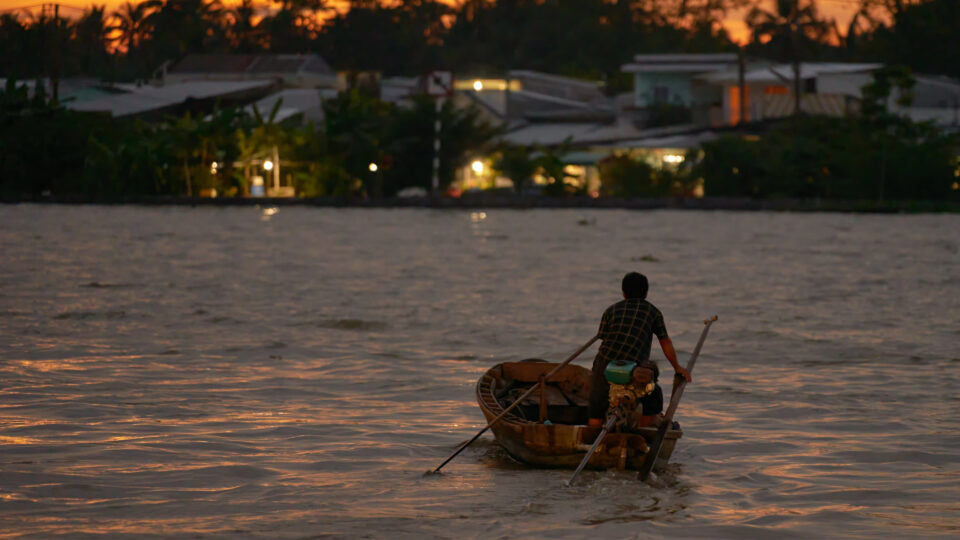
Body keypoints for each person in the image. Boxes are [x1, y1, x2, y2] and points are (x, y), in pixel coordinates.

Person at [587, 272, 691, 427]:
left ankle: (592, 432)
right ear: (646, 293)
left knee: (596, 403)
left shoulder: (611, 310)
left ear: (623, 293)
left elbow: (603, 337)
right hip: (633, 366)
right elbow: (665, 342)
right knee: (653, 396)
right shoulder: (653, 312)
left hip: (605, 364)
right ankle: (645, 431)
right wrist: (677, 367)